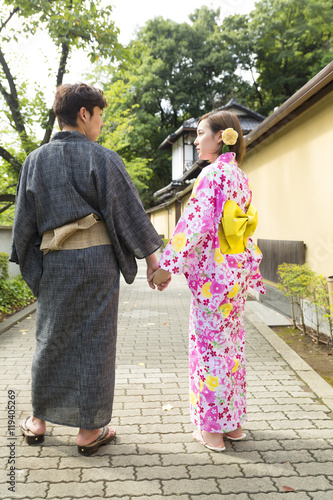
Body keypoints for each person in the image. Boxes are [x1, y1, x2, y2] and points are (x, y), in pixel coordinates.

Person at [10, 83, 162, 456]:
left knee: (50, 337)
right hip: (97, 262)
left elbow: (23, 224)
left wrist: (35, 269)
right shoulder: (104, 158)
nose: (100, 123)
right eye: (99, 116)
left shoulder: (34, 160)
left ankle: (39, 421)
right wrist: (153, 263)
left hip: (55, 261)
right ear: (84, 114)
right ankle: (89, 431)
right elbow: (129, 213)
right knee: (96, 340)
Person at [149, 110, 265, 451]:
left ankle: (212, 431)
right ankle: (233, 425)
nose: (196, 140)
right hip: (235, 274)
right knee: (231, 351)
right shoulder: (239, 176)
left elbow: (194, 226)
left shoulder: (212, 175)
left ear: (221, 137)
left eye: (200, 133)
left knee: (208, 353)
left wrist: (166, 266)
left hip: (213, 280)